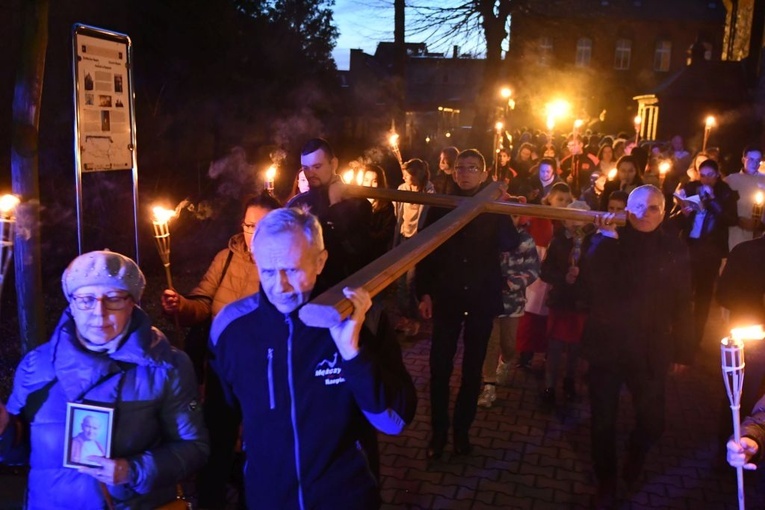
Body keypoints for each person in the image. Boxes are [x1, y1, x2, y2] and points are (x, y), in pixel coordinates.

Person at [209, 208, 416, 509]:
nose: (279, 286)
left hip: (346, 498)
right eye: (267, 271)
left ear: (320, 261)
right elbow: (219, 423)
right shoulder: (231, 328)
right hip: (267, 499)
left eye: (292, 270)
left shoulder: (362, 320)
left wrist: (352, 354)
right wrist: (211, 496)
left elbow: (393, 422)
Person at [0, 250, 209, 508]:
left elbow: (193, 448)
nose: (99, 312)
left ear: (132, 303)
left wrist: (133, 470)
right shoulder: (37, 366)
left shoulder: (166, 366)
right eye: (86, 299)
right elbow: (16, 454)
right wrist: (5, 431)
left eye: (113, 298)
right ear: (72, 305)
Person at [160, 192, 280, 508]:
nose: (254, 234)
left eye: (264, 226)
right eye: (249, 225)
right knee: (217, 444)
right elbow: (203, 303)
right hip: (219, 372)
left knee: (255, 450)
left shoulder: (283, 266)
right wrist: (181, 305)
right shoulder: (225, 258)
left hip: (260, 375)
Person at [582, 185, 694, 508]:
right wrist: (603, 242)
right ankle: (606, 479)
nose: (645, 214)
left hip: (649, 349)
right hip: (608, 346)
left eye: (654, 208)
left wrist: (684, 350)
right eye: (638, 207)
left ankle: (635, 452)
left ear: (663, 212)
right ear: (626, 210)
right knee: (602, 420)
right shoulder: (609, 239)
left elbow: (683, 303)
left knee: (653, 421)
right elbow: (591, 284)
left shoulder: (674, 249)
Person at [416, 149, 519, 458]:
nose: (465, 173)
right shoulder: (441, 207)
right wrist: (424, 292)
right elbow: (425, 252)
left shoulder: (492, 207)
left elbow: (510, 243)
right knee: (439, 369)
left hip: (480, 299)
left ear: (484, 173)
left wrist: (502, 208)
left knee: (472, 370)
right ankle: (438, 435)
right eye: (461, 168)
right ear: (453, 172)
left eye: (473, 168)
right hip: (447, 297)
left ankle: (461, 433)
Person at [287, 138, 374, 287]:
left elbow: (360, 252)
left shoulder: (359, 204)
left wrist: (335, 205)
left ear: (333, 164)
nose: (310, 173)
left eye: (317, 166)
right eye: (306, 168)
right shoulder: (297, 204)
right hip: (306, 289)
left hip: (342, 291)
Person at [477, 200, 540, 408]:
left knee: (509, 344)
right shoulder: (489, 238)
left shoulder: (526, 241)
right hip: (489, 300)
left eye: (513, 216)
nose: (509, 220)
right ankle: (489, 385)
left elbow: (532, 270)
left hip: (513, 303)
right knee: (490, 342)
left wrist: (511, 283)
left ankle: (505, 362)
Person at [671, 159, 738, 347]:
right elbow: (676, 216)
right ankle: (679, 333)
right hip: (690, 247)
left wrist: (713, 201)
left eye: (710, 175)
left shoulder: (726, 193)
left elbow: (731, 219)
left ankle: (696, 337)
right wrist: (682, 211)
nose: (706, 179)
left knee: (703, 295)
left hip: (711, 250)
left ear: (717, 175)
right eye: (703, 175)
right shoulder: (691, 188)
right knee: (684, 292)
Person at [540, 201, 594, 405]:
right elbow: (545, 271)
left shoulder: (592, 242)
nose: (575, 222)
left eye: (580, 217)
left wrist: (582, 276)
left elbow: (598, 272)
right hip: (561, 300)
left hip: (580, 302)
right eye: (571, 216)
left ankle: (569, 382)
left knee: (575, 347)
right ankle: (549, 385)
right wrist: (563, 276)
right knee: (554, 346)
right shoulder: (559, 241)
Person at [394, 158, 435, 336]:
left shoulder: (429, 192)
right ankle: (405, 317)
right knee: (399, 282)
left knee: (412, 282)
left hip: (417, 242)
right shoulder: (402, 190)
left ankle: (415, 319)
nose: (404, 178)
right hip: (403, 239)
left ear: (417, 176)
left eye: (407, 175)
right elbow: (397, 214)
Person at [724, 145, 765, 251]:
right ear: (743, 159)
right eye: (751, 159)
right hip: (737, 233)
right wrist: (738, 221)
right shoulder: (730, 180)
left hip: (759, 234)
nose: (754, 164)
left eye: (758, 160)